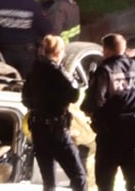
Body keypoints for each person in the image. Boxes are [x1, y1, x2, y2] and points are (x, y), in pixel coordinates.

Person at [80, 33, 135, 191]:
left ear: (106, 50)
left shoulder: (105, 71)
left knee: (105, 183)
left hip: (109, 135)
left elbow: (92, 104)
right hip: (133, 133)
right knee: (133, 182)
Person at [22, 35, 87, 191]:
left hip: (38, 130)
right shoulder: (58, 73)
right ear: (58, 53)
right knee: (78, 176)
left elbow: (26, 99)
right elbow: (74, 95)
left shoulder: (34, 71)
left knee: (48, 181)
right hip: (57, 131)